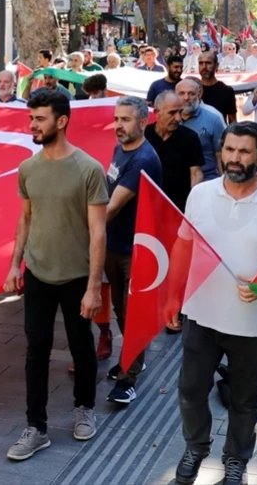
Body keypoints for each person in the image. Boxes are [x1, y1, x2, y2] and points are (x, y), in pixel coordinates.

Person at [166, 121, 257, 485]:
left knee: (246, 400)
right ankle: (196, 447)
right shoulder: (200, 195)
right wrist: (172, 296)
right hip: (201, 315)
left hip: (250, 324)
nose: (235, 159)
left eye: (244, 151)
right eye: (229, 150)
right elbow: (183, 245)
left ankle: (236, 460)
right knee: (191, 391)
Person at [4, 89, 108, 461]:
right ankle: (36, 427)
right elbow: (25, 218)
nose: (32, 124)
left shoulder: (89, 169)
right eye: (31, 118)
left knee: (82, 347)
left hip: (78, 277)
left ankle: (84, 408)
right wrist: (14, 265)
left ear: (61, 121)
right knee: (36, 350)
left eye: (40, 118)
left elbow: (99, 232)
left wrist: (94, 287)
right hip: (38, 275)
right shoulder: (28, 168)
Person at [103, 97, 163, 405]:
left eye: (125, 120)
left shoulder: (144, 159)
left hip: (133, 250)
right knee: (119, 309)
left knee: (131, 314)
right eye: (116, 119)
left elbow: (111, 207)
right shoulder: (119, 149)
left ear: (143, 122)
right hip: (113, 245)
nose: (118, 126)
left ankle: (129, 379)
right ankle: (128, 360)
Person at [145, 91, 204, 211]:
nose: (178, 118)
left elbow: (196, 173)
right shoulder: (144, 135)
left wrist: (193, 202)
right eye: (172, 113)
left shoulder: (190, 137)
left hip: (178, 207)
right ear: (157, 112)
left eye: (180, 112)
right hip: (147, 204)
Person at [177, 78, 226, 181]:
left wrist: (225, 182)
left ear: (199, 95)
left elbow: (220, 155)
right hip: (177, 182)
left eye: (191, 94)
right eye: (181, 93)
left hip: (207, 180)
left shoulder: (213, 119)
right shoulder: (170, 119)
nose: (186, 98)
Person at [197, 51, 237, 124]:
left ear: (216, 65)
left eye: (208, 63)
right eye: (201, 63)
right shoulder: (192, 90)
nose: (204, 67)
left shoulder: (226, 91)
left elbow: (233, 121)